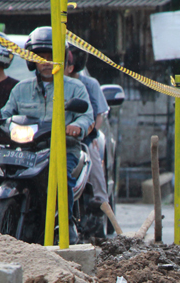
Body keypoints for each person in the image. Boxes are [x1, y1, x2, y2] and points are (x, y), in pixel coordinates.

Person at [0, 26, 94, 244]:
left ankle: (66, 222)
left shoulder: (75, 88)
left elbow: (87, 116)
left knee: (62, 176)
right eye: (40, 56)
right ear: (31, 59)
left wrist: (77, 127)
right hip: (25, 150)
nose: (45, 61)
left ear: (61, 58)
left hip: (62, 148)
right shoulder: (21, 89)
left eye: (51, 56)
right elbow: (6, 113)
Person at [65, 45, 109, 236]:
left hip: (84, 137)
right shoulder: (50, 84)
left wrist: (90, 133)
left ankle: (100, 203)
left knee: (95, 164)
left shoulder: (89, 85)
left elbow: (98, 115)